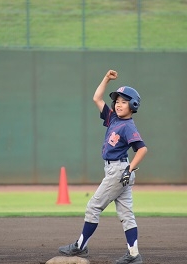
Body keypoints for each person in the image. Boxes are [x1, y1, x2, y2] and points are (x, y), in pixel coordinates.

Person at [58, 70, 148, 264]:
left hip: (118, 171)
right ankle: (133, 255)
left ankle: (80, 247)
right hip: (117, 170)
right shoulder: (113, 119)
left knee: (93, 207)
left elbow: (142, 149)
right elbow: (97, 98)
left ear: (133, 105)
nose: (118, 104)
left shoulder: (128, 126)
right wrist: (106, 79)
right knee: (126, 214)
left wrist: (129, 169)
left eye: (124, 101)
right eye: (117, 101)